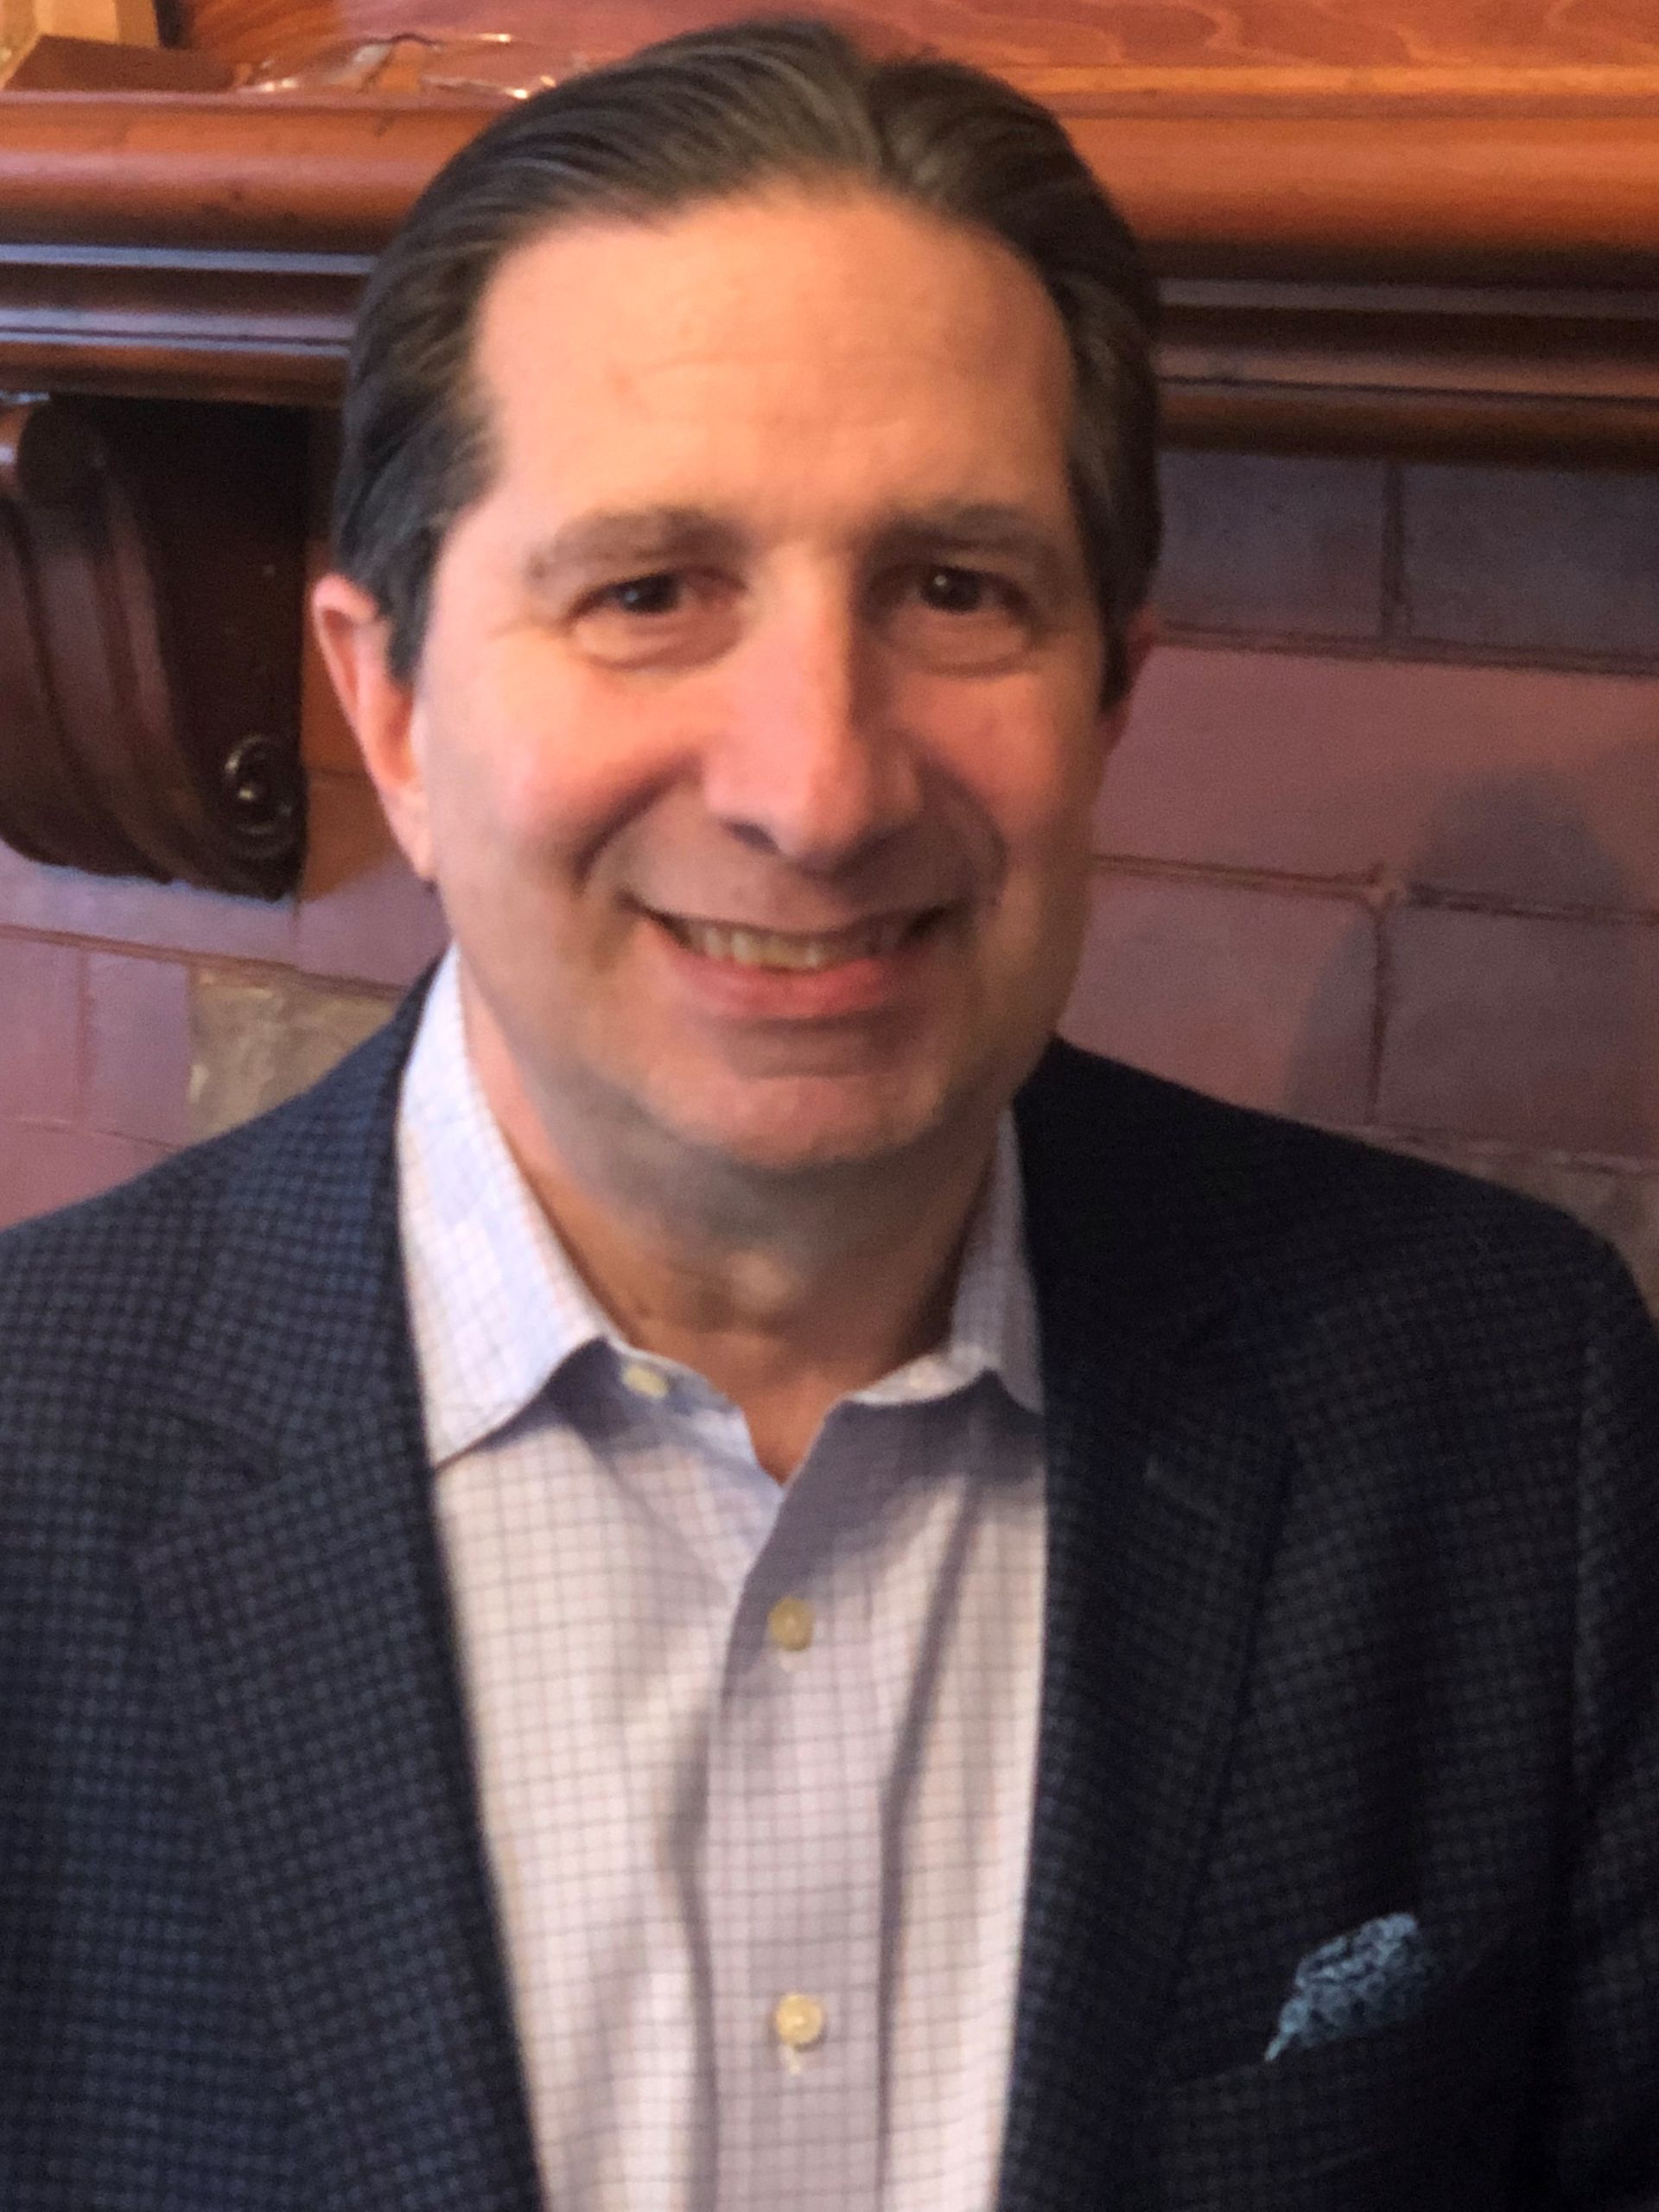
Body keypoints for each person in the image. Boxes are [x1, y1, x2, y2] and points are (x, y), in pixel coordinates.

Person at [3, 17, 1656, 2209]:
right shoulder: (26, 1463)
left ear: (1108, 692)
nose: (817, 785)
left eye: (955, 589)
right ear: (386, 700)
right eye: (650, 590)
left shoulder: (1508, 1408)